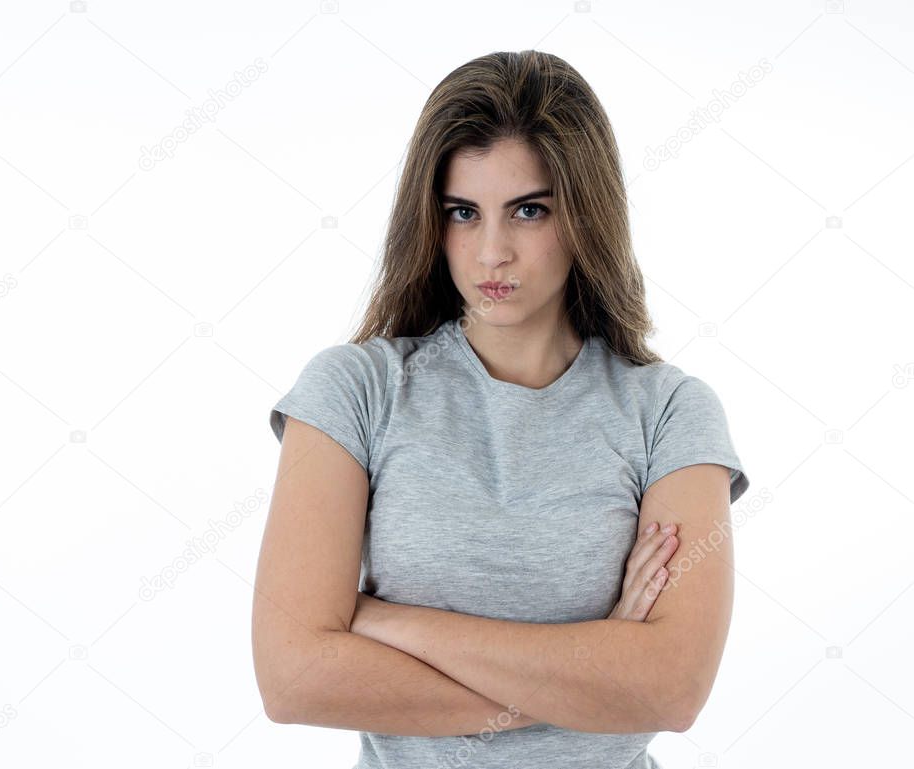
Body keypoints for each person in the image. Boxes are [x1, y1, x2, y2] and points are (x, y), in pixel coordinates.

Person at [253, 49, 749, 769]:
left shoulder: (669, 412)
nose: (491, 251)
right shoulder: (354, 391)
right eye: (463, 212)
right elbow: (293, 677)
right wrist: (593, 680)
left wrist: (383, 621)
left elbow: (670, 688)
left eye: (528, 209)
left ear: (584, 214)